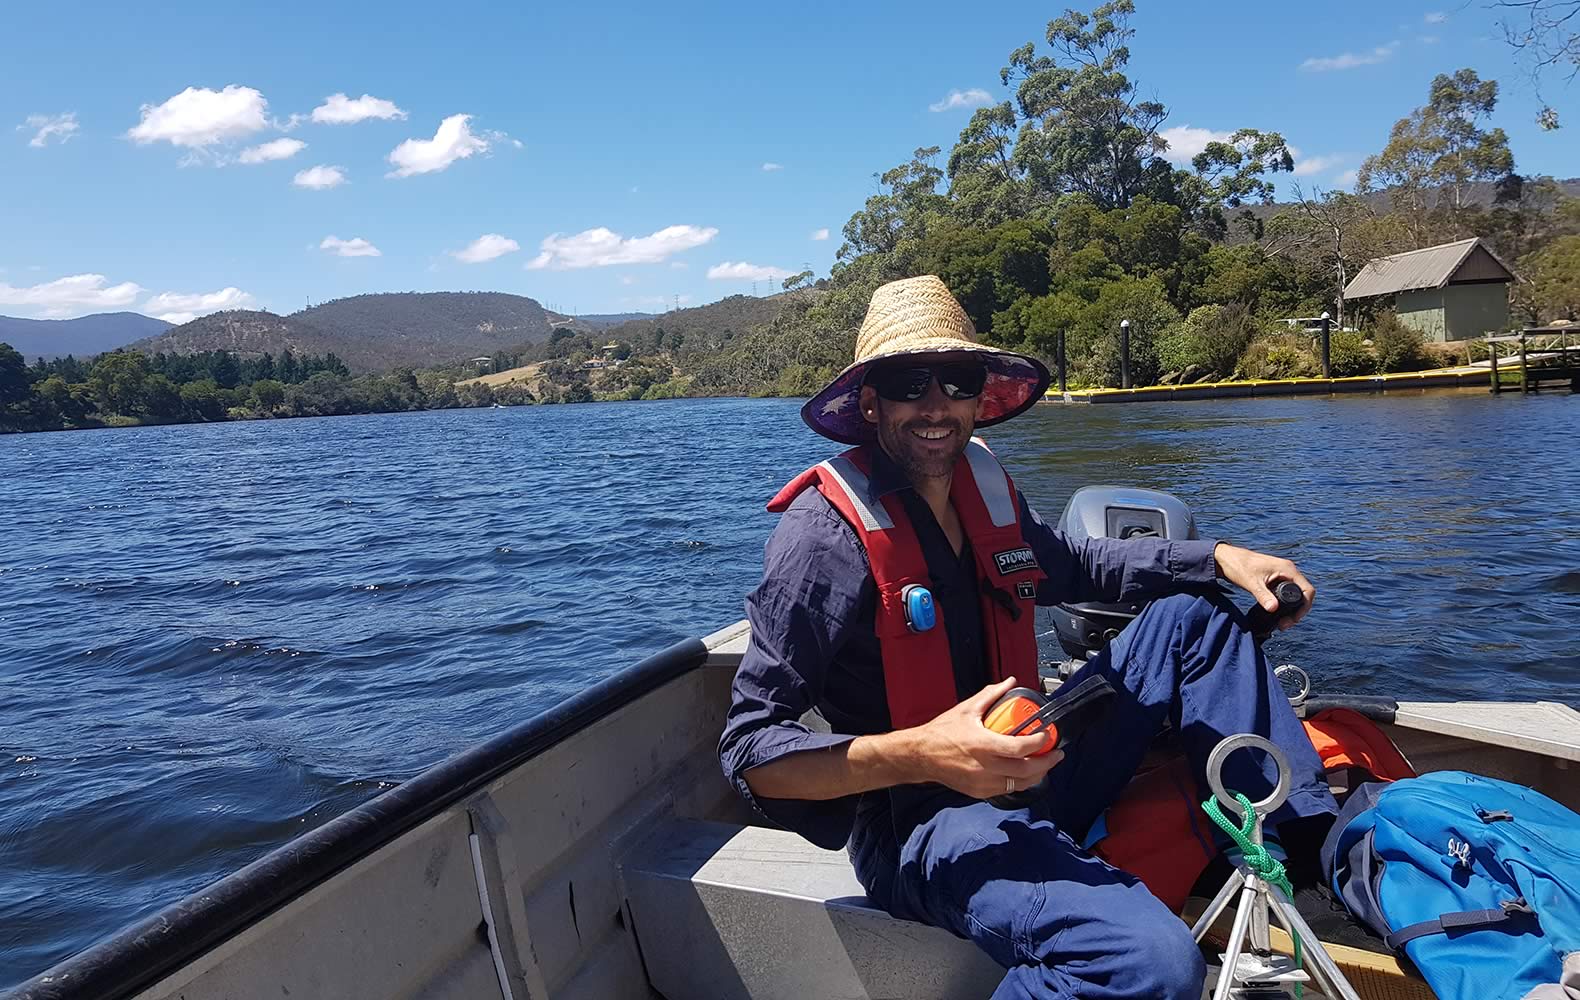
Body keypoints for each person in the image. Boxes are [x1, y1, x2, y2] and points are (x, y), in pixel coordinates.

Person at [717, 275, 1337, 1000]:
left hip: (1038, 757)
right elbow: (750, 750)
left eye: (957, 379)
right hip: (924, 825)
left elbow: (1075, 563)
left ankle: (1310, 853)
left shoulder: (984, 484)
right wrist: (922, 752)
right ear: (870, 401)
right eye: (908, 381)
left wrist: (1220, 557)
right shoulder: (821, 538)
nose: (935, 403)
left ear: (981, 395)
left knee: (1192, 618)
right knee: (1151, 963)